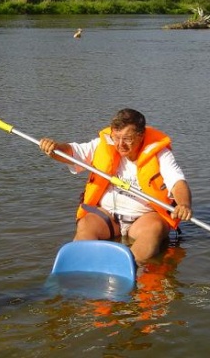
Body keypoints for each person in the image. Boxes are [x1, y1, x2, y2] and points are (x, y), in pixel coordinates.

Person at [39, 108, 192, 263]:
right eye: (116, 138)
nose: (120, 145)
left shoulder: (161, 154)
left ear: (141, 136)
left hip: (144, 219)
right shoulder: (102, 145)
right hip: (108, 217)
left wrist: (184, 204)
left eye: (127, 139)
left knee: (154, 229)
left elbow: (177, 182)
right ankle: (80, 264)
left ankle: (128, 266)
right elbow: (72, 153)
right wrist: (55, 149)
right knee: (85, 224)